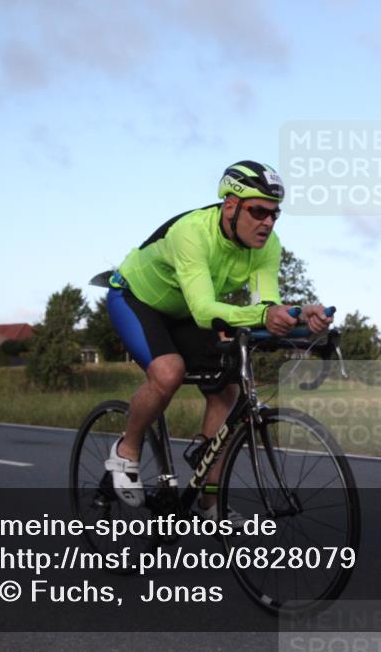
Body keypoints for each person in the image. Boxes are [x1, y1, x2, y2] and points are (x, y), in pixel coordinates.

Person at [104, 161, 333, 524]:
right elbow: (203, 309)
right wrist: (263, 317)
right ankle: (125, 449)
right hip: (136, 300)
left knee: (228, 389)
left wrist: (300, 316)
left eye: (275, 214)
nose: (268, 223)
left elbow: (265, 306)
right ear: (231, 206)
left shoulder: (267, 246)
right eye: (258, 211)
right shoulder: (192, 232)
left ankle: (208, 503)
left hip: (183, 314)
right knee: (168, 373)